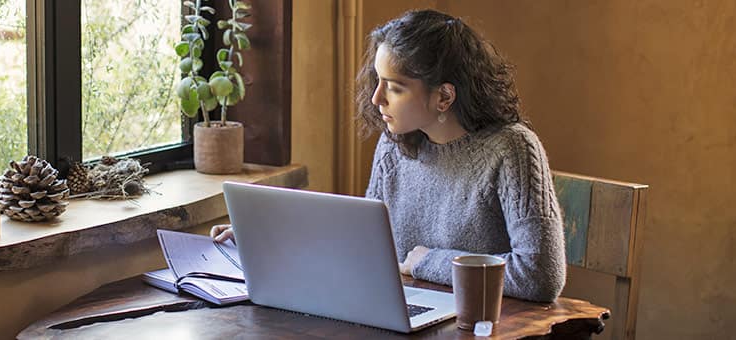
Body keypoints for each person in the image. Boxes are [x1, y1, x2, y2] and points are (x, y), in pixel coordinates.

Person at [212, 9, 565, 302]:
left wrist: (430, 261)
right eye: (378, 80)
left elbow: (540, 275)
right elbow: (367, 248)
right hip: (409, 313)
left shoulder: (513, 149)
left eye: (395, 87)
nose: (377, 98)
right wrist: (269, 236)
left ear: (444, 97)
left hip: (487, 327)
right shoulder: (395, 146)